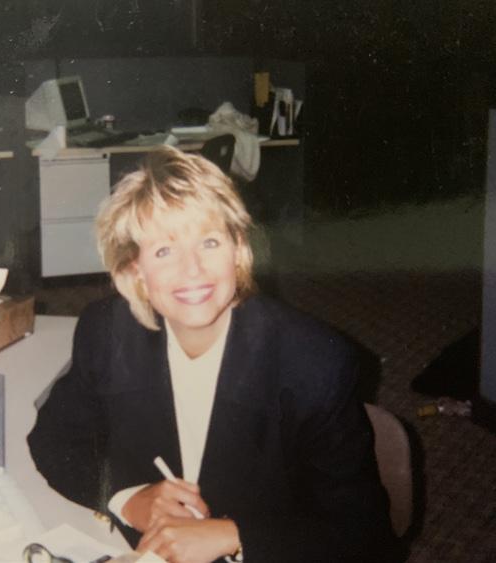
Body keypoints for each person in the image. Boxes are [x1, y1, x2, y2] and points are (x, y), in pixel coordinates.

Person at [27, 145, 395, 562]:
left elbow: (364, 533)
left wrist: (234, 536)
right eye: (164, 251)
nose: (192, 270)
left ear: (239, 251)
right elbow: (54, 440)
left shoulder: (314, 363)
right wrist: (128, 500)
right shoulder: (107, 331)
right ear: (134, 271)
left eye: (210, 242)